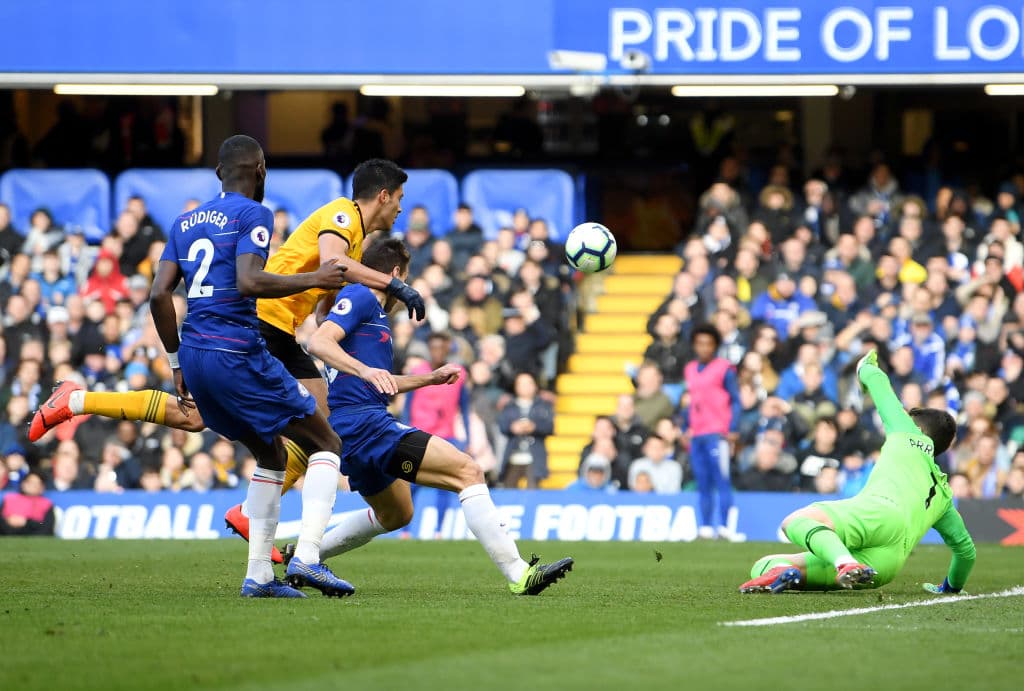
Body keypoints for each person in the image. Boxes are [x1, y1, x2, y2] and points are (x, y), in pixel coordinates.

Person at [29, 157, 425, 556]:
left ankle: (76, 400)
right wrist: (397, 286)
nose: (401, 209)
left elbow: (324, 299)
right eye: (400, 199)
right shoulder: (343, 214)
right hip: (267, 323)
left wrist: (338, 318)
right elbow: (332, 265)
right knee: (323, 429)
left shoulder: (353, 239)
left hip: (279, 328)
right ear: (383, 195)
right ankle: (268, 526)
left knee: (199, 416)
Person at [303, 238, 572, 595]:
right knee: (469, 471)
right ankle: (520, 573)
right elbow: (318, 343)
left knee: (397, 515)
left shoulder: (371, 314)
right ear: (396, 273)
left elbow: (380, 382)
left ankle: (303, 556)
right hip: (365, 424)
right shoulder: (363, 297)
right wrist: (367, 372)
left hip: (355, 425)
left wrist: (428, 379)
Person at [149, 134, 352, 598]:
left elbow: (159, 294)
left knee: (272, 454)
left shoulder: (184, 221)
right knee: (327, 442)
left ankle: (259, 576)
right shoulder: (253, 213)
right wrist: (315, 278)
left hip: (197, 356)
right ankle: (308, 559)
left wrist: (176, 361)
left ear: (219, 172)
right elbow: (248, 281)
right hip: (237, 352)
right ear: (260, 170)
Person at [739, 350, 976, 594]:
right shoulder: (945, 494)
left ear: (918, 429)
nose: (902, 417)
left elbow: (876, 378)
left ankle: (845, 562)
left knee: (794, 522)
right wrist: (951, 587)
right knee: (763, 565)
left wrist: (866, 365)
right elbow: (966, 551)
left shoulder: (907, 433)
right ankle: (799, 571)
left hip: (878, 514)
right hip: (887, 563)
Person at [683, 324, 741, 539]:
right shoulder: (690, 369)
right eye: (700, 343)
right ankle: (706, 527)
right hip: (697, 434)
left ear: (715, 346)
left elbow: (735, 400)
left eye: (708, 343)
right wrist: (686, 427)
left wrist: (733, 428)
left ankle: (725, 526)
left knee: (722, 479)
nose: (704, 348)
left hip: (718, 433)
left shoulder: (725, 369)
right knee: (702, 480)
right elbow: (691, 402)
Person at [0, 471, 55, 536]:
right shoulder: (9, 499)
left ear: (42, 488)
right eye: (30, 482)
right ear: (23, 484)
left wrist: (27, 522)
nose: (33, 486)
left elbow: (46, 525)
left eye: (37, 484)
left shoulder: (46, 504)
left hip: (33, 538)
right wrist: (8, 521)